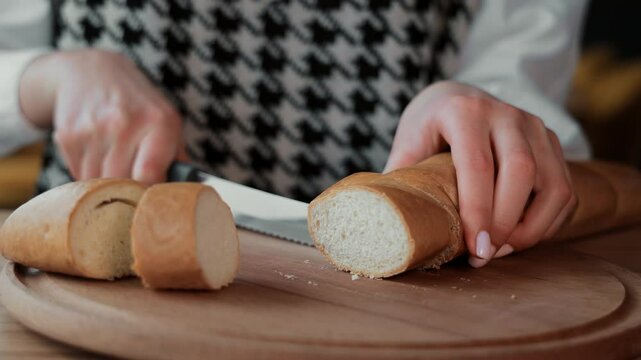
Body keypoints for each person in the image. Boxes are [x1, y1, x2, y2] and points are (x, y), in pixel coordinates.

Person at [0, 0, 590, 268]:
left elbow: (521, 83)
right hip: (92, 281)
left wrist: (485, 110)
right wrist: (44, 76)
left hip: (396, 316)